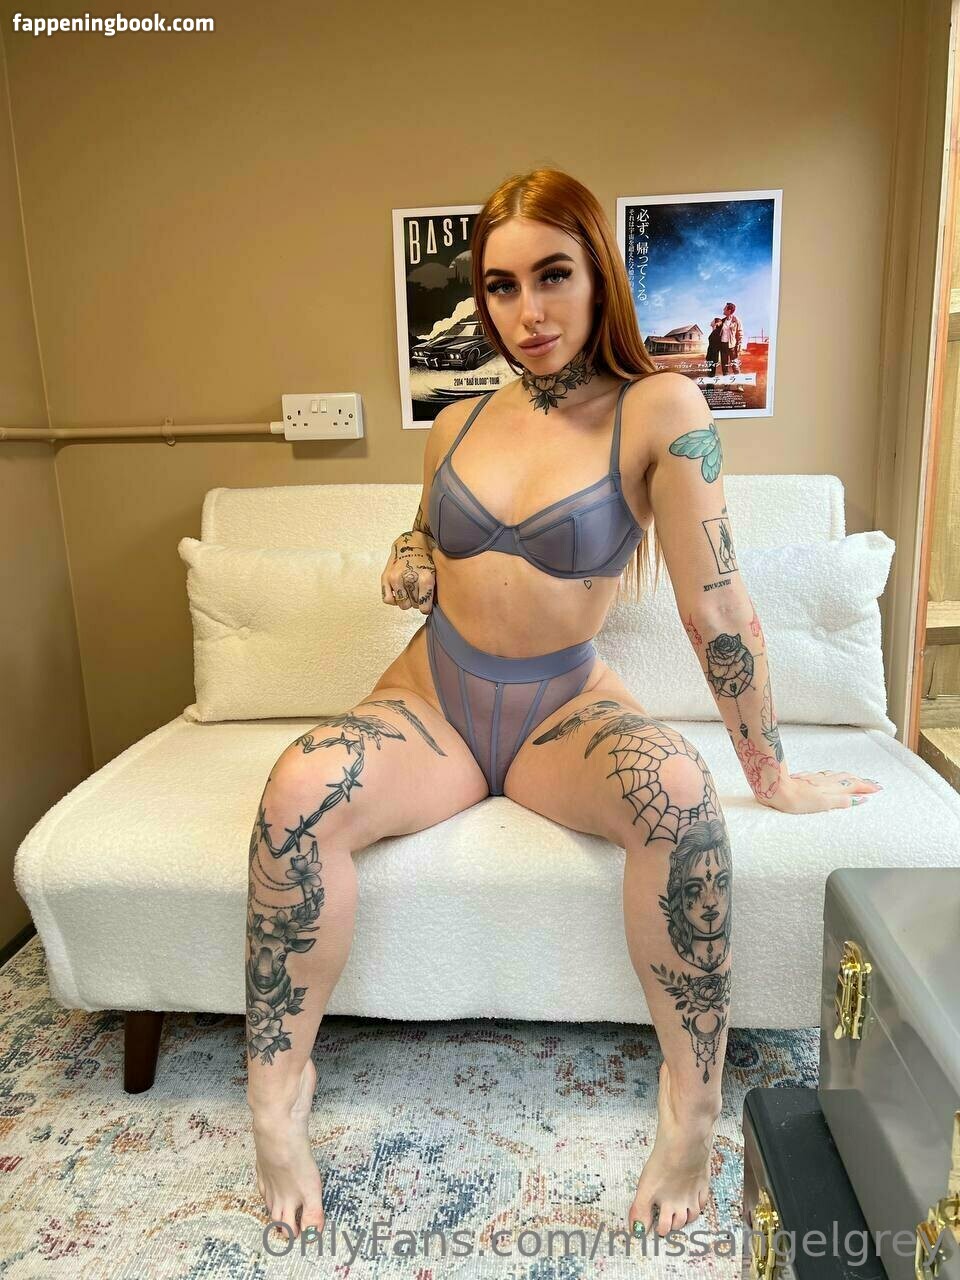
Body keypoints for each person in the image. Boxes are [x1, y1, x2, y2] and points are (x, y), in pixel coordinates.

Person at [245, 167, 881, 1246]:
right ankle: (273, 1100)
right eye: (501, 286)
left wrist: (770, 773)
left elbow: (719, 603)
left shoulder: (660, 408)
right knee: (294, 789)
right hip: (435, 696)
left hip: (560, 711)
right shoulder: (454, 421)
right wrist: (409, 559)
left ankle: (691, 1108)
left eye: (553, 276)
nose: (527, 312)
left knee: (682, 798)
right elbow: (424, 533)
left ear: (599, 277)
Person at [718, 302, 743, 376]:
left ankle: (739, 381)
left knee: (735, 365)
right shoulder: (722, 321)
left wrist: (739, 344)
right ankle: (726, 381)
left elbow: (740, 333)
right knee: (724, 365)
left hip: (732, 346)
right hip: (722, 345)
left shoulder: (736, 320)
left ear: (729, 311)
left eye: (725, 308)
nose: (723, 309)